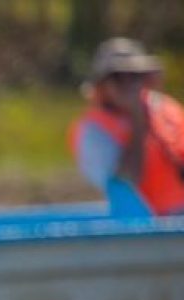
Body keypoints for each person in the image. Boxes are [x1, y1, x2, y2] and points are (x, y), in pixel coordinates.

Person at [70, 38, 184, 217]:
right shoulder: (93, 131)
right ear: (102, 84)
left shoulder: (168, 110)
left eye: (135, 75)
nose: (129, 83)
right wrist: (138, 120)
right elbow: (125, 183)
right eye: (118, 77)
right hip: (144, 232)